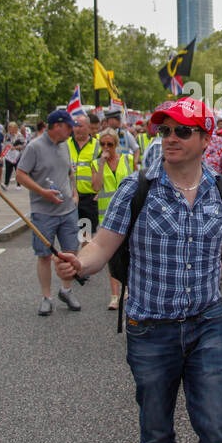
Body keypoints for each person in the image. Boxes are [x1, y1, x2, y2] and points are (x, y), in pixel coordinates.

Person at [54, 97, 222, 443]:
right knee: (156, 428)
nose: (170, 139)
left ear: (205, 138)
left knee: (217, 428)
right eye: (165, 131)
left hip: (208, 324)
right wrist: (79, 264)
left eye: (182, 131)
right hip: (150, 329)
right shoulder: (136, 187)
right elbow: (102, 245)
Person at [14, 109, 81, 315]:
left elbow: (70, 172)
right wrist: (42, 192)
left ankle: (66, 290)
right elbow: (20, 174)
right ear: (58, 126)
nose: (72, 130)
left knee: (71, 253)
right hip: (43, 212)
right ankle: (46, 297)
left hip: (68, 209)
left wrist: (75, 193)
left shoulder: (66, 145)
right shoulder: (34, 147)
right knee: (44, 255)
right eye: (69, 126)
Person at [91, 129, 135, 310]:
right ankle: (114, 295)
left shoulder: (128, 159)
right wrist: (101, 164)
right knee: (111, 256)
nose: (106, 148)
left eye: (110, 144)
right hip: (107, 215)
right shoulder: (95, 163)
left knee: (130, 253)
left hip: (129, 212)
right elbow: (96, 186)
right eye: (103, 144)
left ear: (117, 145)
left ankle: (128, 289)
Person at [67, 113, 100, 236]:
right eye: (75, 126)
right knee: (68, 235)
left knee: (85, 235)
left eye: (80, 126)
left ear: (88, 127)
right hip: (68, 197)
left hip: (88, 199)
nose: (77, 129)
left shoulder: (98, 146)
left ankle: (83, 254)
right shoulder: (65, 144)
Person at [2, 121, 25, 188]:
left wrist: (15, 147)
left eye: (11, 128)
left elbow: (23, 145)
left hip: (17, 155)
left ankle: (18, 184)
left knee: (17, 169)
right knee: (8, 170)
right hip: (9, 155)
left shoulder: (19, 135)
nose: (10, 129)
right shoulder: (7, 135)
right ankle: (6, 184)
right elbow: (4, 144)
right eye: (9, 128)